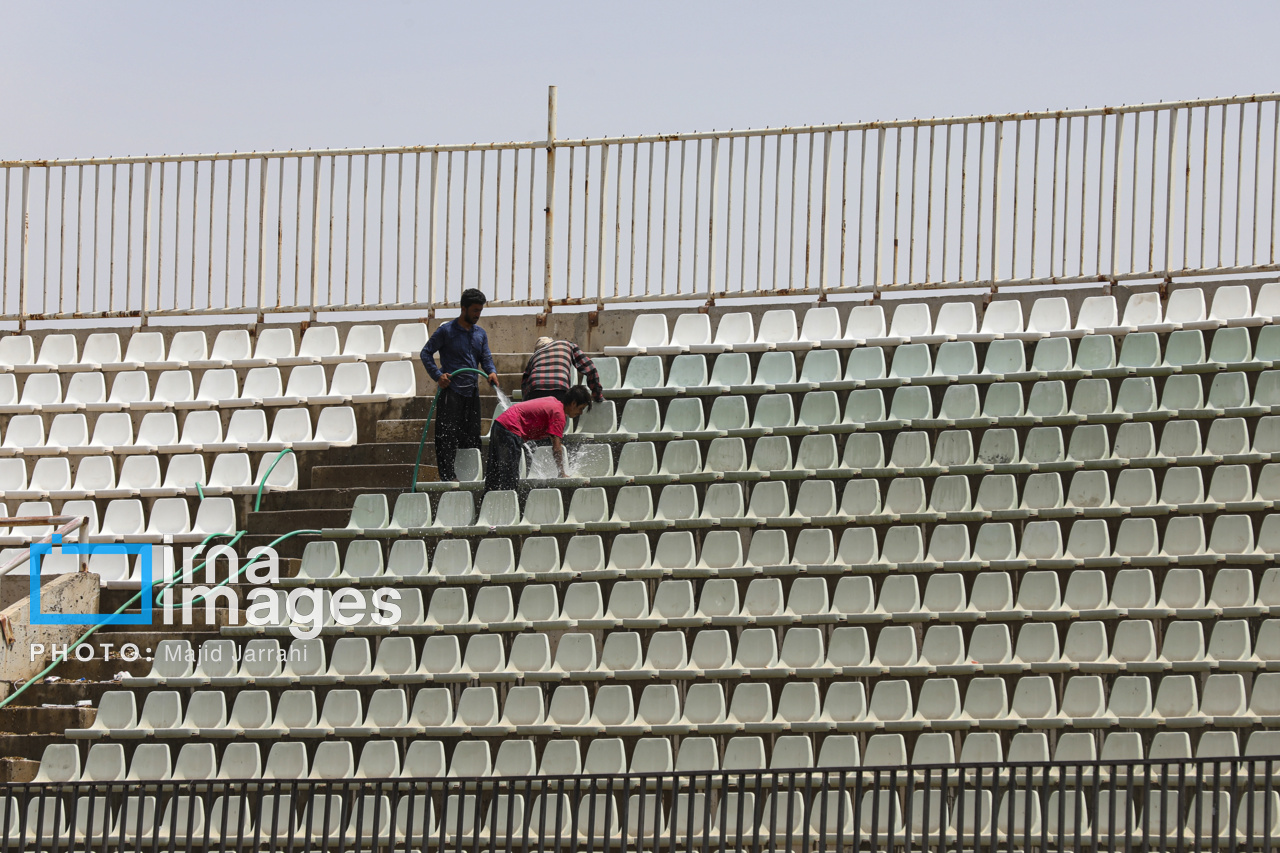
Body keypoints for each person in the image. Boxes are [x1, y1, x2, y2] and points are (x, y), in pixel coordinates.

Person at [420, 289, 500, 482]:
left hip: (471, 392)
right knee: (446, 437)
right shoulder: (446, 331)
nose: (477, 314)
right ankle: (448, 476)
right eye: (474, 310)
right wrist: (438, 376)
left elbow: (485, 358)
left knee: (472, 437)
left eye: (480, 310)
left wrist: (491, 371)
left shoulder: (480, 334)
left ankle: (470, 475)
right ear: (463, 308)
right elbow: (426, 353)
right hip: (451, 392)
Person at [486, 385, 592, 492]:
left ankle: (487, 500)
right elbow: (556, 449)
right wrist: (561, 472)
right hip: (510, 429)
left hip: (499, 424)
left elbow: (551, 433)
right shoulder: (559, 414)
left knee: (493, 474)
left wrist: (558, 444)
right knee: (510, 477)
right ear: (573, 403)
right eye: (581, 408)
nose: (581, 413)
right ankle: (508, 505)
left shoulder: (553, 402)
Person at [521, 336, 605, 404]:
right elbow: (590, 369)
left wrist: (526, 404)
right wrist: (598, 396)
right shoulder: (567, 344)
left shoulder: (535, 355)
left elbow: (524, 382)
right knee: (556, 421)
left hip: (535, 389)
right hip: (559, 388)